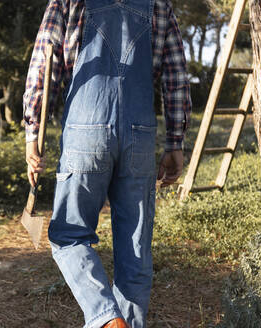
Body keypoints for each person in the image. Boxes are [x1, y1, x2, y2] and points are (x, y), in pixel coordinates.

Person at [23, 0, 191, 327]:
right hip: (140, 131)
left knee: (69, 234)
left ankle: (106, 317)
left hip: (85, 127)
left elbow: (45, 59)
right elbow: (176, 71)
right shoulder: (159, 4)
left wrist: (33, 133)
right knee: (135, 251)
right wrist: (175, 142)